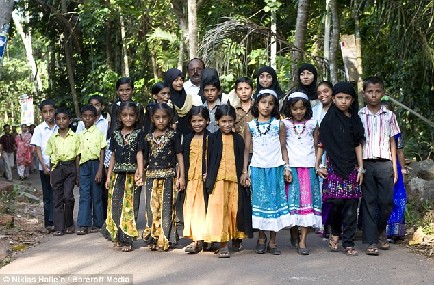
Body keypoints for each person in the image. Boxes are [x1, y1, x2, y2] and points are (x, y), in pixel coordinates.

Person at [316, 82, 365, 256]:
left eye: (347, 98)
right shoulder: (328, 119)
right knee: (335, 203)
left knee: (351, 206)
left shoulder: (354, 119)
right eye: (339, 97)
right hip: (333, 167)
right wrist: (318, 164)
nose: (343, 101)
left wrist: (361, 168)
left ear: (352, 100)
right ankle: (335, 232)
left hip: (351, 167)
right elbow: (321, 143)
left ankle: (349, 243)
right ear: (334, 98)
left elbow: (357, 144)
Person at [241, 89, 291, 256]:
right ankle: (261, 238)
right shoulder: (251, 126)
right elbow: (247, 149)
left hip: (275, 168)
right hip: (257, 169)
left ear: (275, 106)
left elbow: (284, 147)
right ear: (257, 104)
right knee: (260, 204)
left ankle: (273, 241)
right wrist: (244, 171)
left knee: (275, 204)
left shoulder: (279, 124)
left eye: (270, 103)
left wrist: (287, 167)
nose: (266, 106)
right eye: (263, 102)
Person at [358, 76, 400, 256]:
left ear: (383, 93)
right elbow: (357, 142)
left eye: (377, 92)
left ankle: (381, 229)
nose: (373, 95)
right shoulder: (359, 115)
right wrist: (358, 166)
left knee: (386, 202)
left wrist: (395, 167)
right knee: (369, 202)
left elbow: (393, 141)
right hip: (366, 162)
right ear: (364, 93)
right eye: (370, 92)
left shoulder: (389, 115)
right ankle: (371, 242)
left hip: (385, 163)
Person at [205, 105, 252, 258]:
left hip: (235, 179)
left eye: (230, 121)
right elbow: (209, 158)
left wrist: (244, 174)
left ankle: (236, 237)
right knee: (220, 210)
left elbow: (242, 157)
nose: (227, 124)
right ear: (217, 121)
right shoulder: (212, 138)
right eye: (223, 121)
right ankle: (223, 243)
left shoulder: (237, 139)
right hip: (218, 179)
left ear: (234, 121)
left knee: (235, 209)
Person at [282, 91, 321, 255]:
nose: (298, 112)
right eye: (295, 109)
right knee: (293, 203)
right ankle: (293, 229)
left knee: (308, 204)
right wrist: (286, 166)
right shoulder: (284, 124)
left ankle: (303, 241)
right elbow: (283, 146)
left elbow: (317, 145)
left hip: (309, 168)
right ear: (289, 109)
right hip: (292, 168)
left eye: (301, 108)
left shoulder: (313, 123)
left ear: (307, 108)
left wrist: (318, 164)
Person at [142, 103, 185, 251]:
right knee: (151, 208)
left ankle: (165, 239)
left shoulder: (173, 135)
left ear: (169, 118)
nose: (161, 121)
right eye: (157, 118)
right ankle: (153, 238)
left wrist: (182, 177)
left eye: (164, 117)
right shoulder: (147, 137)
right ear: (152, 119)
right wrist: (139, 173)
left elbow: (179, 156)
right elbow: (145, 158)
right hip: (151, 177)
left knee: (167, 208)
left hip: (168, 177)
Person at [102, 101, 144, 252]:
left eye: (131, 115)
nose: (128, 118)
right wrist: (108, 176)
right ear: (119, 117)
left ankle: (127, 240)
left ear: (136, 117)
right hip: (117, 175)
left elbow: (139, 153)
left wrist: (140, 172)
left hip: (132, 175)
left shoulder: (140, 134)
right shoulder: (115, 134)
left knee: (130, 207)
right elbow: (112, 155)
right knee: (115, 206)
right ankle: (118, 236)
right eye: (125, 115)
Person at [45, 108, 80, 236]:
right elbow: (50, 156)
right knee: (57, 199)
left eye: (64, 118)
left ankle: (69, 223)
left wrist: (77, 175)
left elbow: (77, 157)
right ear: (55, 121)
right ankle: (59, 227)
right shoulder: (53, 138)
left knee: (68, 197)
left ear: (69, 121)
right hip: (57, 168)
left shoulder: (75, 137)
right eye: (58, 119)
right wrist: (51, 174)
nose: (61, 121)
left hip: (70, 167)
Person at [182, 106, 210, 254]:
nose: (197, 124)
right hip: (191, 180)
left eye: (200, 120)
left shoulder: (211, 138)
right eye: (194, 121)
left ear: (207, 121)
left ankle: (204, 239)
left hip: (205, 180)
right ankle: (195, 239)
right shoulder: (187, 139)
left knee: (204, 209)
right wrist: (182, 177)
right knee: (191, 208)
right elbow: (183, 159)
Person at [76, 105, 107, 235]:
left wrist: (100, 170)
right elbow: (77, 155)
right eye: (85, 116)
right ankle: (83, 224)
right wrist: (78, 173)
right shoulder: (79, 135)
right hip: (83, 166)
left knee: (97, 194)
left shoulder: (99, 133)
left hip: (96, 165)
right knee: (84, 195)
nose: (88, 118)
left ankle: (98, 223)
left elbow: (102, 152)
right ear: (82, 118)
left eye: (90, 116)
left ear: (95, 118)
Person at [381, 99, 407, 241]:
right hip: (382, 167)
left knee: (398, 198)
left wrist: (403, 170)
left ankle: (396, 231)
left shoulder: (396, 133)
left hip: (395, 167)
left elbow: (400, 152)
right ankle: (384, 232)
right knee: (384, 199)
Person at [30, 99, 58, 233]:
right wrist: (44, 166)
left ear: (54, 111)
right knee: (48, 196)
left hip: (59, 167)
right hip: (45, 168)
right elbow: (37, 149)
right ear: (41, 113)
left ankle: (60, 221)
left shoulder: (60, 126)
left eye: (51, 111)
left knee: (59, 194)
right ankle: (49, 222)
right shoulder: (39, 129)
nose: (48, 114)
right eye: (45, 112)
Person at [312, 80, 333, 236]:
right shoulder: (315, 110)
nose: (322, 95)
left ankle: (335, 222)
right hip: (319, 151)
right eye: (319, 93)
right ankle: (322, 222)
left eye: (325, 91)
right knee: (320, 187)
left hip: (336, 152)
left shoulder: (339, 108)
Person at [164, 68, 194, 136]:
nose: (180, 83)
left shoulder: (188, 98)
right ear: (169, 81)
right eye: (176, 80)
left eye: (181, 80)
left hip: (188, 136)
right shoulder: (166, 100)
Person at [201, 68, 224, 133]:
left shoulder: (224, 108)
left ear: (219, 91)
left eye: (213, 90)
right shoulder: (201, 109)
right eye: (206, 90)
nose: (209, 93)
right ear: (203, 92)